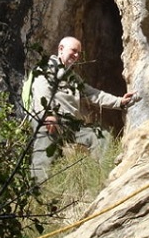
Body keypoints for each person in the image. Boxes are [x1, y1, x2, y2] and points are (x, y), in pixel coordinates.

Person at [29, 36, 136, 184]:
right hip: (46, 120)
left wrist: (120, 102)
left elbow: (93, 94)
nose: (76, 55)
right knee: (43, 159)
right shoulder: (46, 67)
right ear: (61, 49)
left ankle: (102, 180)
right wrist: (48, 115)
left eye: (79, 53)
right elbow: (42, 91)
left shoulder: (72, 77)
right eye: (73, 51)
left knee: (101, 136)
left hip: (68, 124)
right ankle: (36, 197)